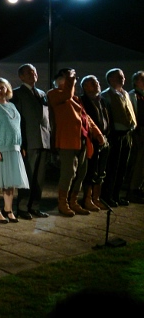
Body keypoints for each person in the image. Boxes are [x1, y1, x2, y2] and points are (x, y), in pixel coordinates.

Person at [47, 68, 104, 217]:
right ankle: (63, 203)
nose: (73, 84)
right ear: (61, 81)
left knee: (81, 172)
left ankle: (73, 202)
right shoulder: (54, 94)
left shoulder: (76, 99)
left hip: (82, 140)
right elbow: (67, 93)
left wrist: (97, 133)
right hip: (67, 140)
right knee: (68, 173)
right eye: (70, 81)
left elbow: (86, 117)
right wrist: (71, 76)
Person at [0, 78, 30, 224]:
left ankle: (8, 209)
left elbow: (17, 128)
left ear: (7, 89)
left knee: (10, 183)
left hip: (13, 149)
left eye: (2, 87)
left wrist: (20, 146)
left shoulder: (12, 106)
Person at [10, 64, 51, 220]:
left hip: (43, 140)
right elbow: (17, 121)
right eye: (28, 72)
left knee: (40, 176)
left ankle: (35, 206)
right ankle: (22, 207)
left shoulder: (42, 93)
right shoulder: (17, 94)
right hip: (29, 141)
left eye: (34, 71)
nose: (33, 74)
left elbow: (47, 118)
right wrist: (21, 144)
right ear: (21, 76)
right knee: (28, 175)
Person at [100, 68, 137, 207]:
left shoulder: (125, 93)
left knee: (122, 167)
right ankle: (107, 195)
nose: (123, 79)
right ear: (111, 79)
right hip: (115, 134)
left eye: (123, 76)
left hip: (127, 133)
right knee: (112, 167)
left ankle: (116, 195)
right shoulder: (106, 95)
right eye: (119, 77)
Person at [79, 75, 111, 211]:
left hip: (104, 139)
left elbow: (106, 119)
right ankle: (87, 199)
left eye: (96, 81)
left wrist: (105, 135)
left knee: (101, 171)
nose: (97, 84)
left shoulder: (101, 100)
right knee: (91, 171)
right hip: (91, 141)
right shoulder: (82, 101)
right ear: (85, 87)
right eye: (93, 82)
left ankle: (96, 198)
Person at [125, 71, 144, 203]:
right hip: (138, 131)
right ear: (137, 81)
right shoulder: (133, 95)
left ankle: (138, 188)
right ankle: (132, 189)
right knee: (138, 161)